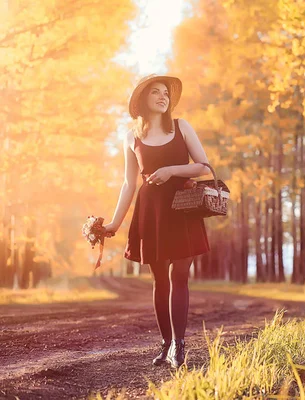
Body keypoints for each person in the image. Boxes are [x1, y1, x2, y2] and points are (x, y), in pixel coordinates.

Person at [103, 74, 212, 368]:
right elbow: (128, 184)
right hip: (150, 211)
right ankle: (165, 346)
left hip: (182, 208)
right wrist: (114, 224)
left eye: (166, 93)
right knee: (159, 280)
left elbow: (204, 167)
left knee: (180, 277)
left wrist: (171, 171)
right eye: (156, 92)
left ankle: (179, 346)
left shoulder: (181, 127)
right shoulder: (130, 137)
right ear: (142, 99)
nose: (163, 97)